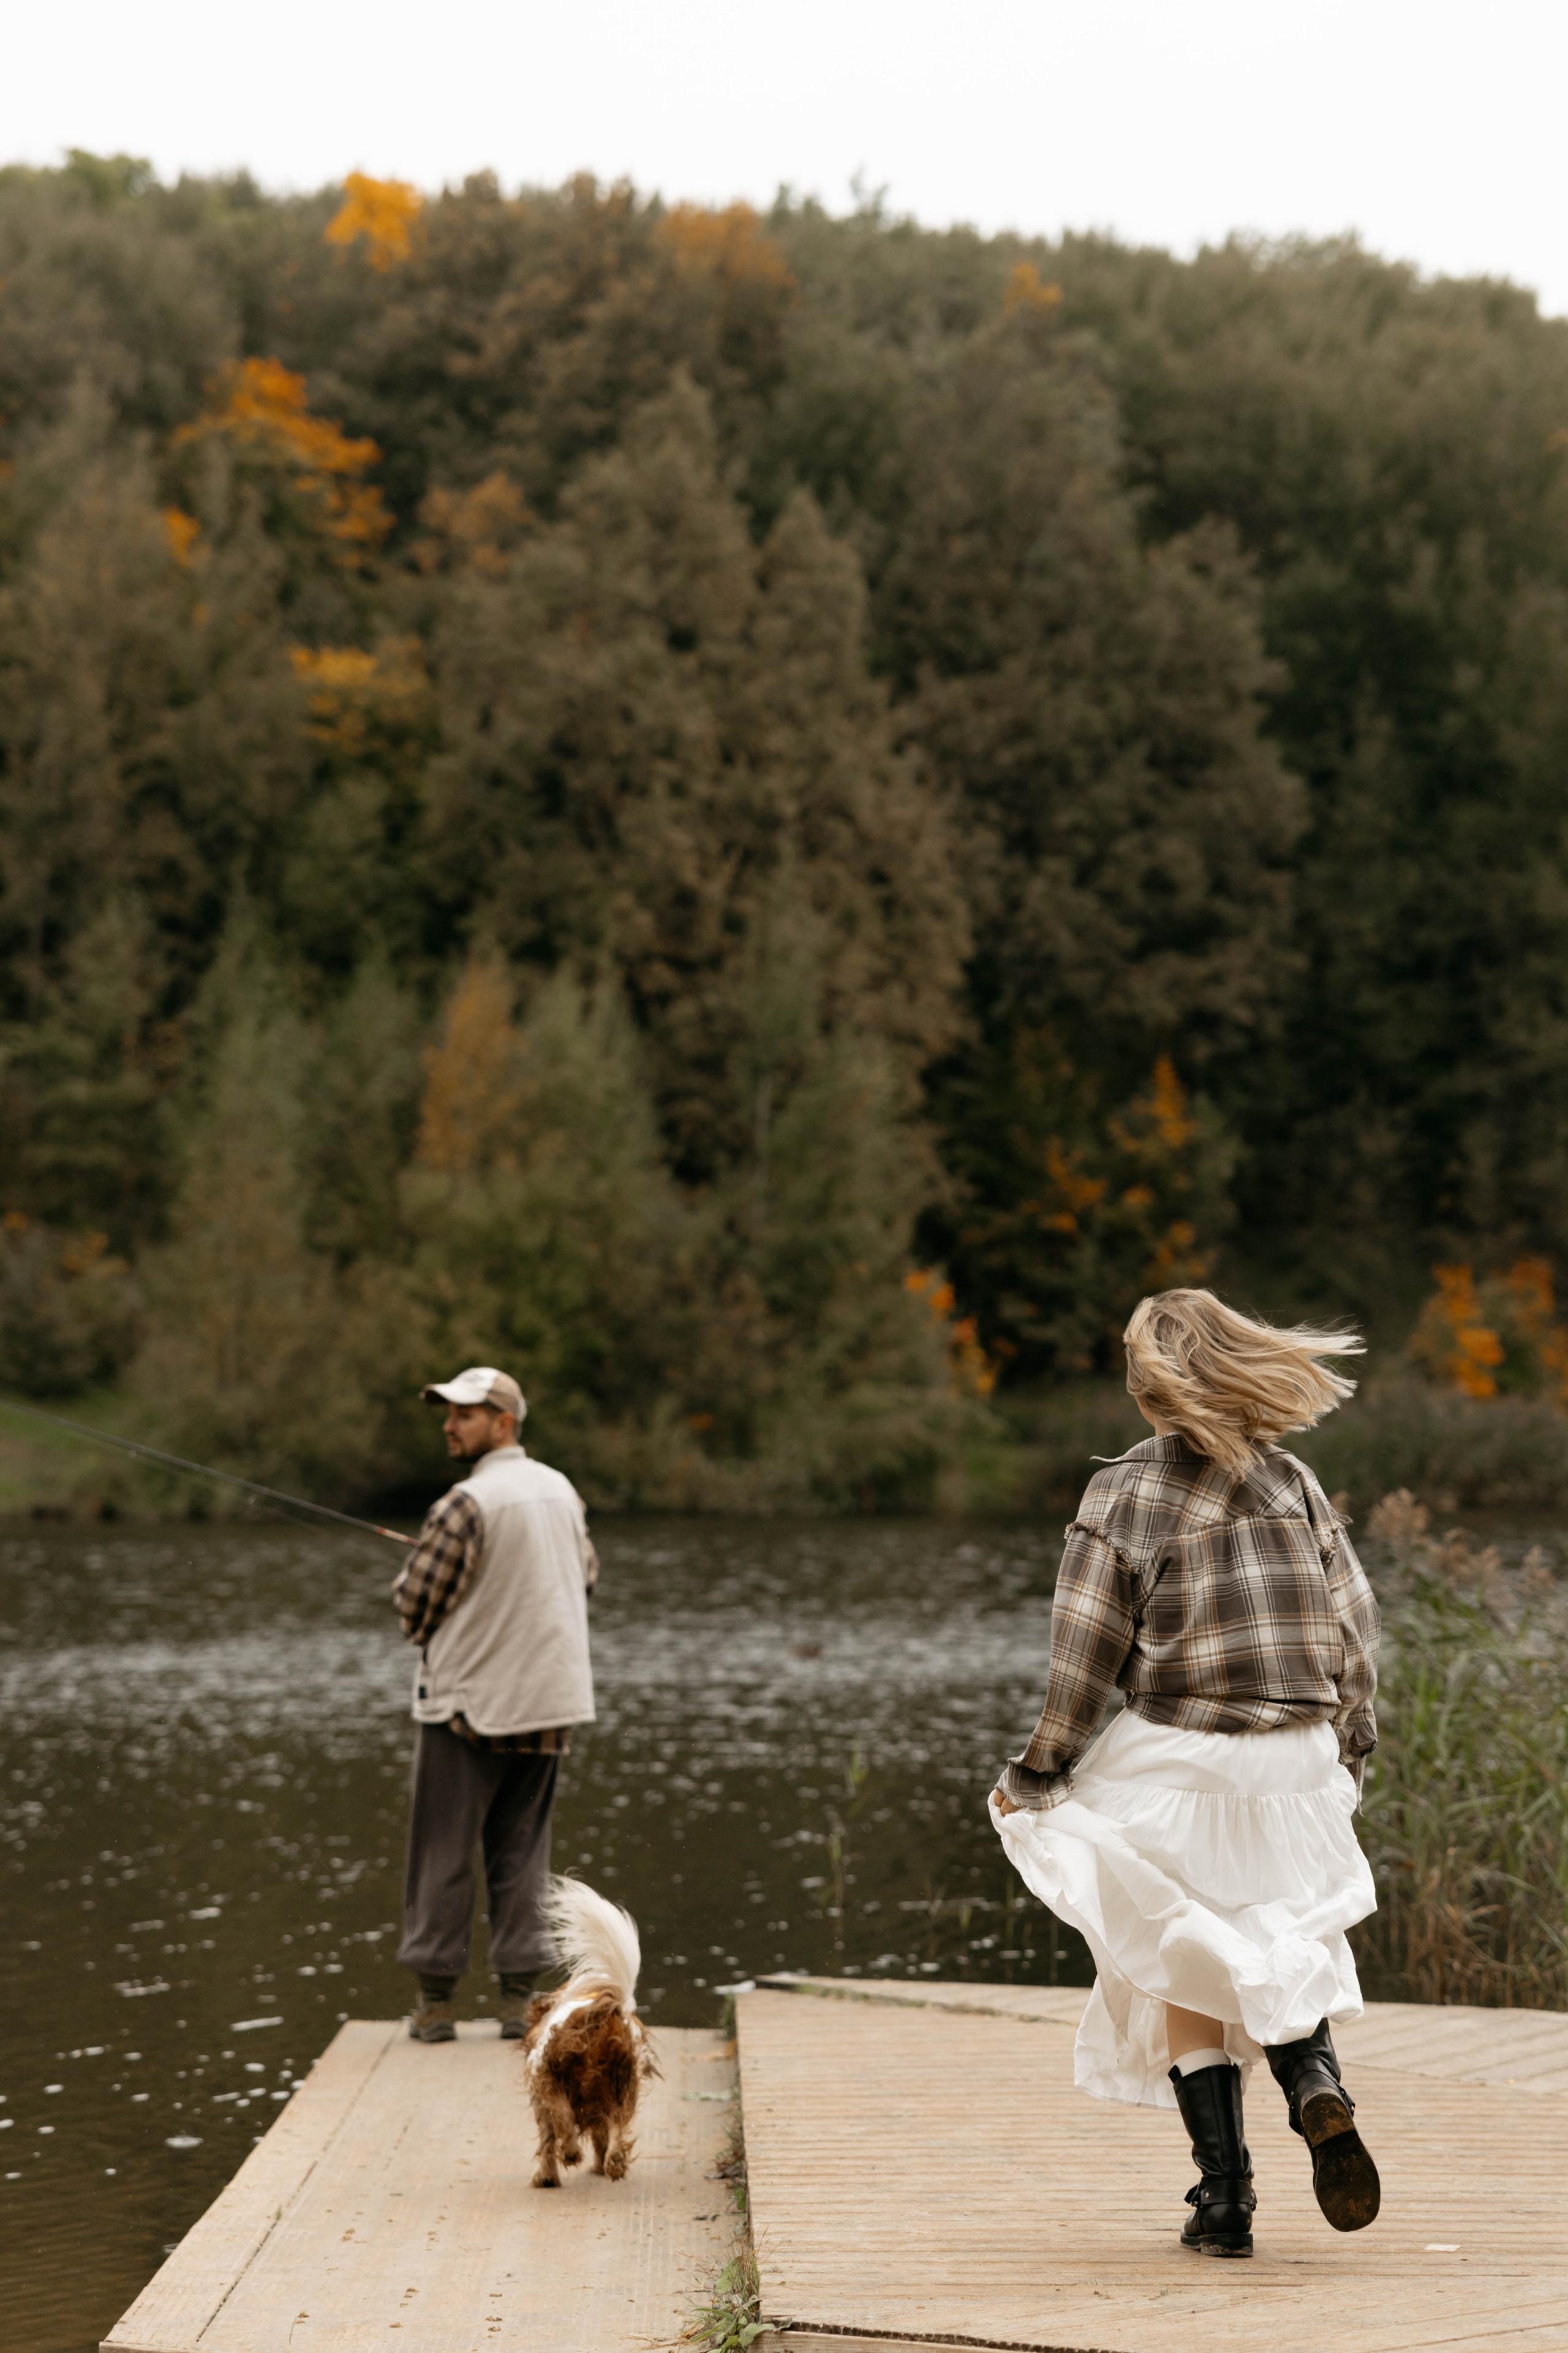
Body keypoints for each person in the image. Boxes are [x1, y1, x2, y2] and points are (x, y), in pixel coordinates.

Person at [991, 1288, 1381, 2258]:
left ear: (1149, 1384)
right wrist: (1350, 1745)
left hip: (1181, 1760)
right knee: (1274, 1934)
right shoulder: (1294, 1482)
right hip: (1295, 1759)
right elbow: (1356, 1628)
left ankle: (1225, 2201)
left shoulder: (1123, 1492)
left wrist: (1038, 1772)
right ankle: (1312, 2080)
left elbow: (1083, 1659)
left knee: (1173, 1938)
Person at [392, 1365, 598, 2044]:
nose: (449, 1425)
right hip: (551, 1703)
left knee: (443, 1853)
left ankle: (436, 2006)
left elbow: (413, 1606)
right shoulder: (561, 1491)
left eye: (465, 1414)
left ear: (503, 1423)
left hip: (467, 1707)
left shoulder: (463, 1503)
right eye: (448, 1414)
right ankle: (517, 2002)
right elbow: (586, 1577)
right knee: (522, 1853)